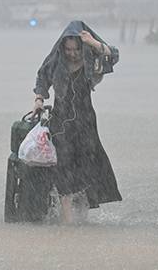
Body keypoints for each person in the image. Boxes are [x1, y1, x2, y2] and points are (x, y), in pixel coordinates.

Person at [33, 21, 122, 224]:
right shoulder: (57, 60)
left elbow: (114, 56)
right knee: (63, 164)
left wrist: (92, 42)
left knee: (86, 163)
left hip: (86, 120)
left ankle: (82, 215)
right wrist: (39, 99)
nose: (72, 53)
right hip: (61, 120)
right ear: (62, 47)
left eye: (75, 49)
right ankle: (67, 221)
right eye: (68, 49)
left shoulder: (91, 57)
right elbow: (42, 77)